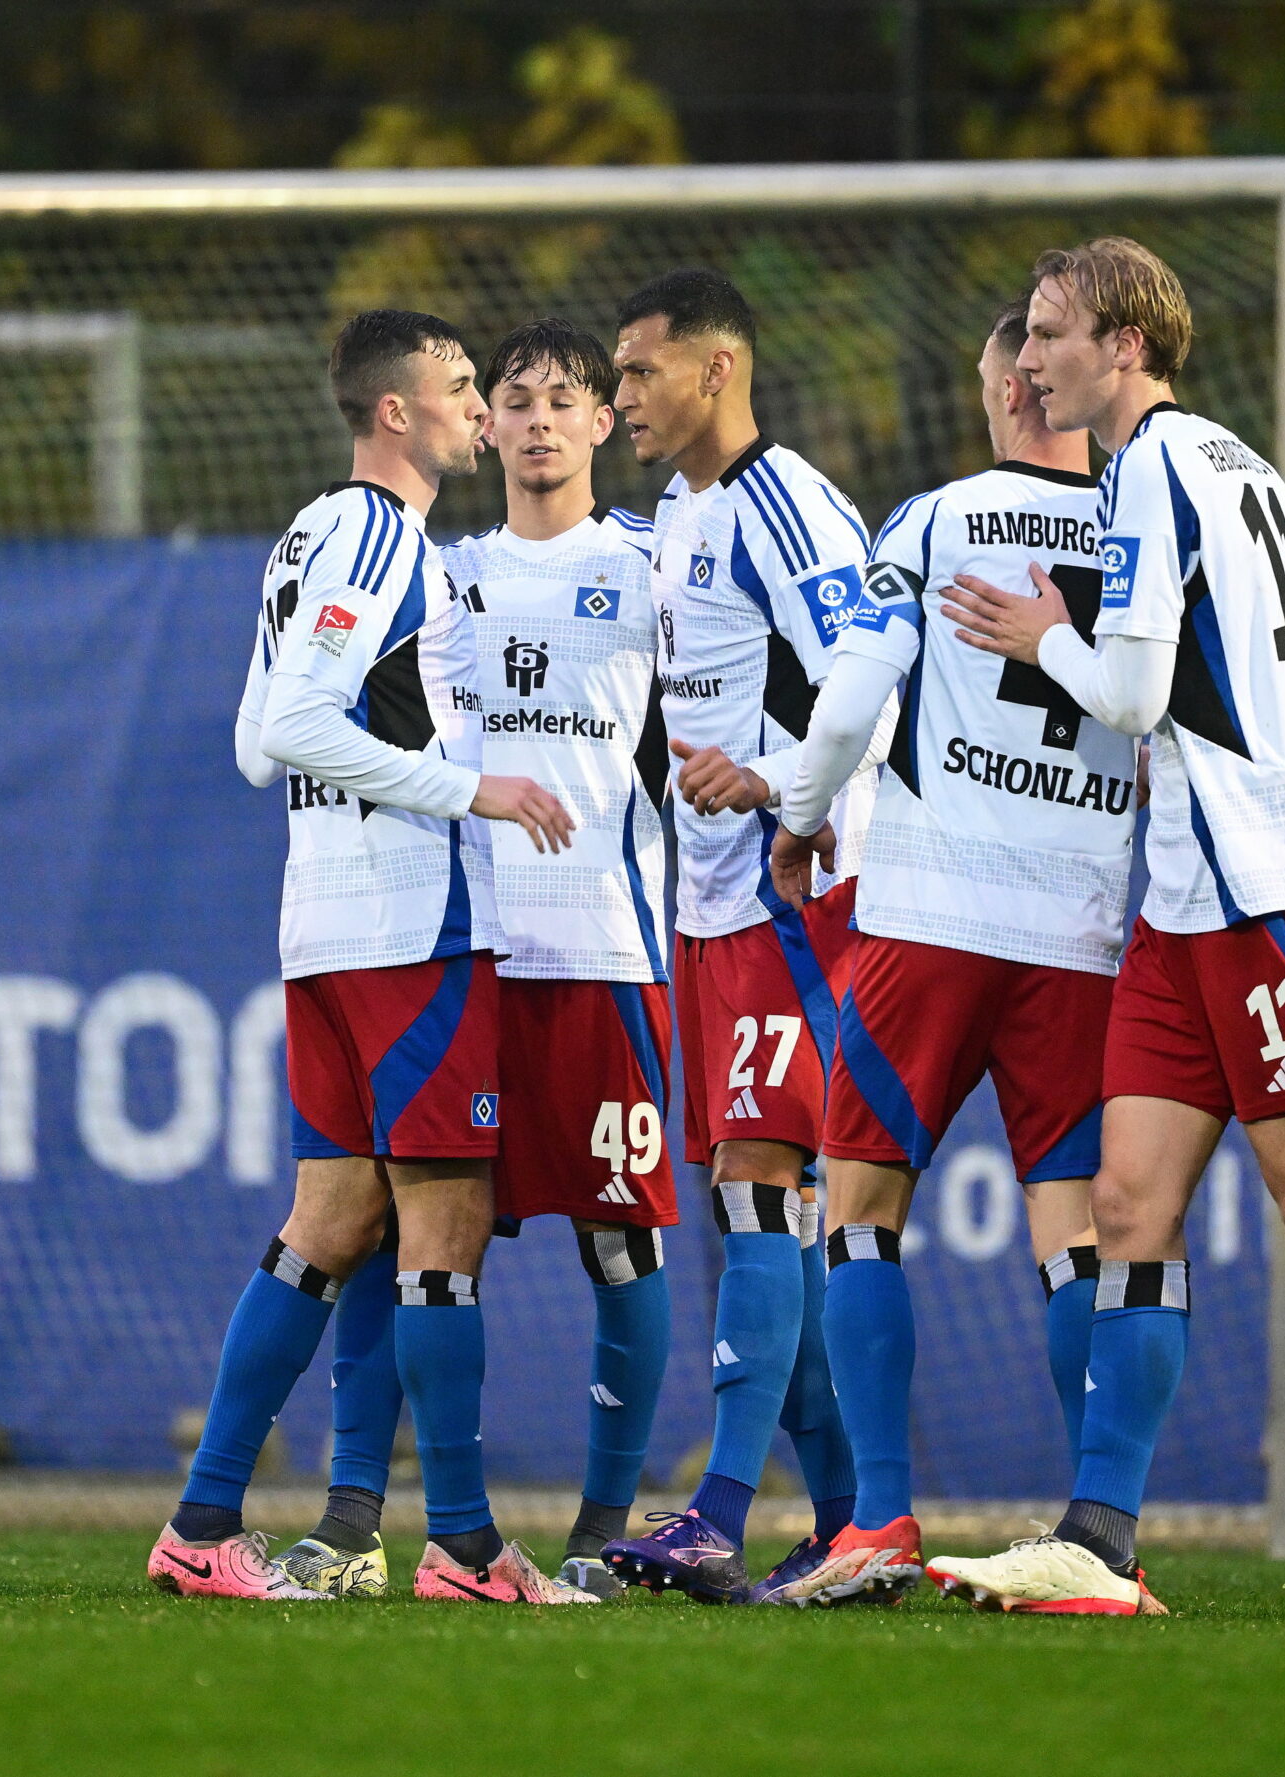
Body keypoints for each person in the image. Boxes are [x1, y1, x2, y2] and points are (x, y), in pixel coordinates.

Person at [928, 237, 1285, 1621]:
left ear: (1125, 345)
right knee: (1132, 1205)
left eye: (1055, 333)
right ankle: (1101, 1540)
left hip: (1264, 892)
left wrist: (1038, 637)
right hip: (1185, 903)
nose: (1033, 357)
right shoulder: (1233, 462)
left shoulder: (1156, 474)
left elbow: (1126, 693)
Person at [151, 309, 594, 1607]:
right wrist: (468, 790)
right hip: (409, 924)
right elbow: (293, 722)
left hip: (323, 926)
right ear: (394, 410)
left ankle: (201, 1524)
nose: (480, 407)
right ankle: (461, 1545)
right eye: (461, 387)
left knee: (331, 1221)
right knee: (442, 1234)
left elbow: (254, 741)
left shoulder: (306, 534)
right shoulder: (380, 533)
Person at [284, 316, 676, 1603]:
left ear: (604, 426)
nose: (542, 419)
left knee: (622, 1242)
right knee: (408, 1229)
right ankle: (354, 1515)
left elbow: (705, 733)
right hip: (469, 945)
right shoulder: (437, 571)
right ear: (486, 425)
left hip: (607, 948)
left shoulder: (653, 566)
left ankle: (604, 1531)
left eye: (569, 399)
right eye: (515, 400)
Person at [760, 295, 1142, 1607]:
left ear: (1003, 392)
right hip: (1080, 932)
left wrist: (800, 822)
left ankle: (878, 1520)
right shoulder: (1138, 530)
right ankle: (1094, 1532)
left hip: (926, 919)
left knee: (859, 1208)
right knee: (1079, 1237)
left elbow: (853, 695)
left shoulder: (933, 521)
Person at [596, 269, 879, 1605]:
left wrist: (776, 782)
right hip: (707, 905)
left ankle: (715, 1512)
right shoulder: (676, 510)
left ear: (717, 369)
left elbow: (871, 686)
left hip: (796, 895)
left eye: (640, 370)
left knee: (767, 1186)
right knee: (758, 1207)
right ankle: (849, 1526)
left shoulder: (788, 504)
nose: (620, 396)